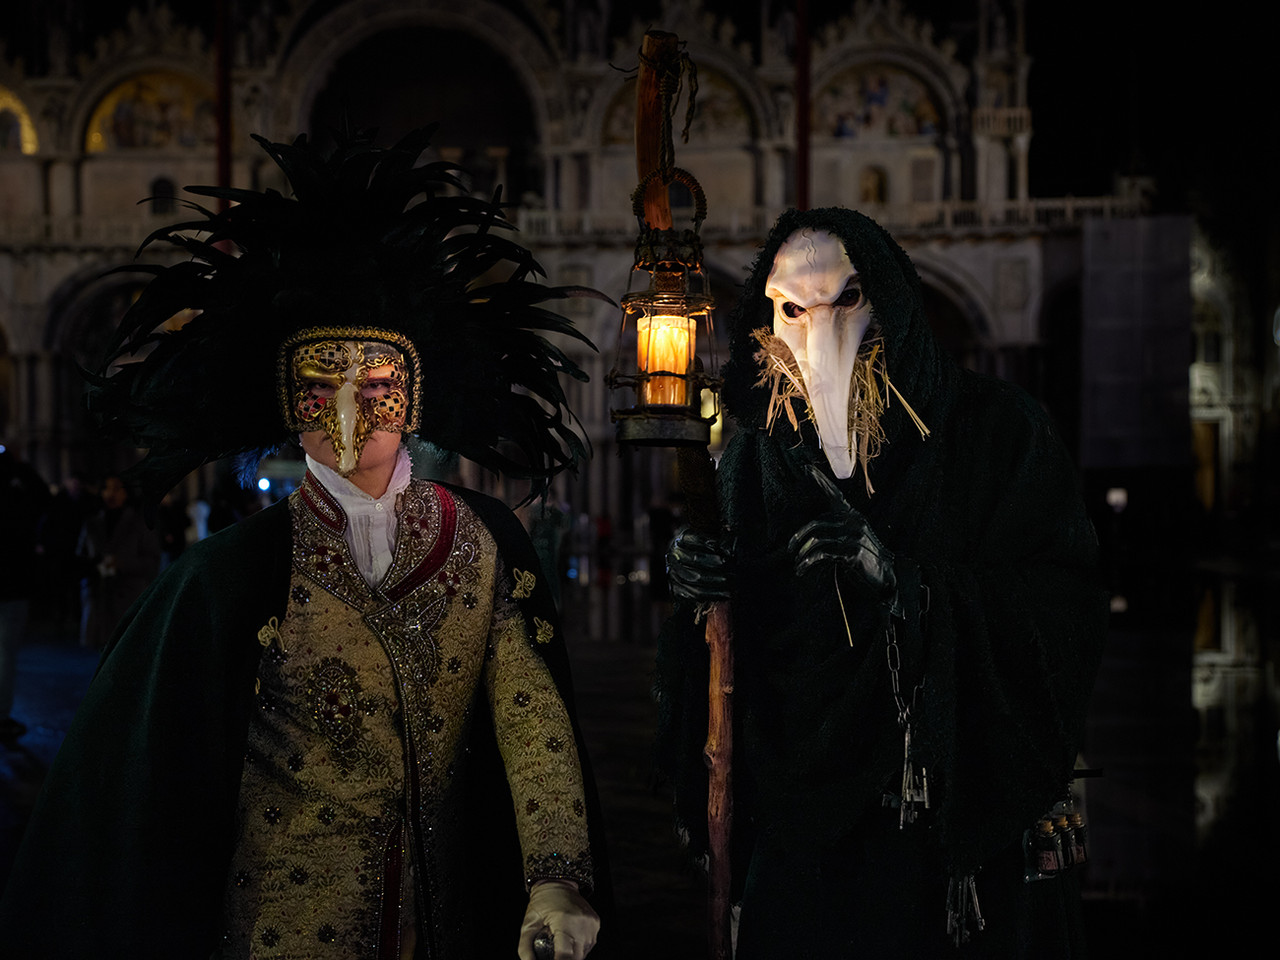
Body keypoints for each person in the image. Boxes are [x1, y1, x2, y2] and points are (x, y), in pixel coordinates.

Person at [0, 129, 609, 960]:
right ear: (288, 402)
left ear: (415, 394)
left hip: (442, 925)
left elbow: (530, 719)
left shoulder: (478, 542)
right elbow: (153, 781)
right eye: (322, 388)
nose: (351, 414)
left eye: (377, 384)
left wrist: (556, 876)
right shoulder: (229, 574)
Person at [657, 207, 1108, 957]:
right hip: (803, 819)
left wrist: (908, 585)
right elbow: (748, 616)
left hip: (939, 814)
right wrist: (702, 582)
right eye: (792, 310)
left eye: (848, 299)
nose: (819, 337)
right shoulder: (758, 456)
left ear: (889, 296)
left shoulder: (996, 429)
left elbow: (1061, 602)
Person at [0, 445, 51, 742]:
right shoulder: (19, 490)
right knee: (5, 653)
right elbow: (44, 499)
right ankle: (1, 717)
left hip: (13, 583)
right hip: (13, 584)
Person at [75, 473, 161, 647]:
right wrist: (93, 566)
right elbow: (80, 557)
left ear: (126, 493)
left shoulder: (139, 523)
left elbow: (152, 561)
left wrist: (121, 563)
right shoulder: (92, 523)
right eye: (106, 489)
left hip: (127, 596)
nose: (110, 494)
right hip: (98, 596)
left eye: (116, 489)